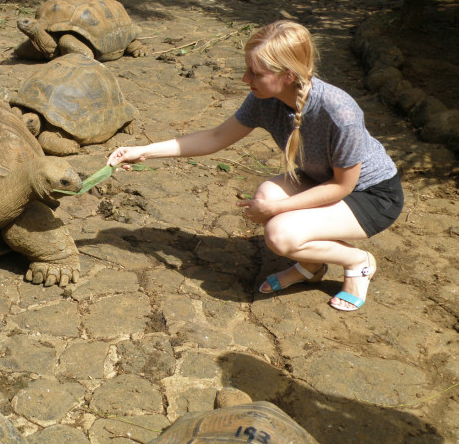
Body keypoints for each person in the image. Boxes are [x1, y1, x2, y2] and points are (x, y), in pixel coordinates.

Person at [107, 20, 403, 312]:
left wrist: (276, 209)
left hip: (371, 195)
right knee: (266, 195)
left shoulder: (339, 112)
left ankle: (357, 262)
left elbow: (342, 185)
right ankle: (310, 266)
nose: (245, 79)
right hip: (321, 179)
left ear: (288, 75)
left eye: (256, 73)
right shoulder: (265, 98)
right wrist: (144, 151)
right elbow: (215, 137)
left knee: (279, 233)